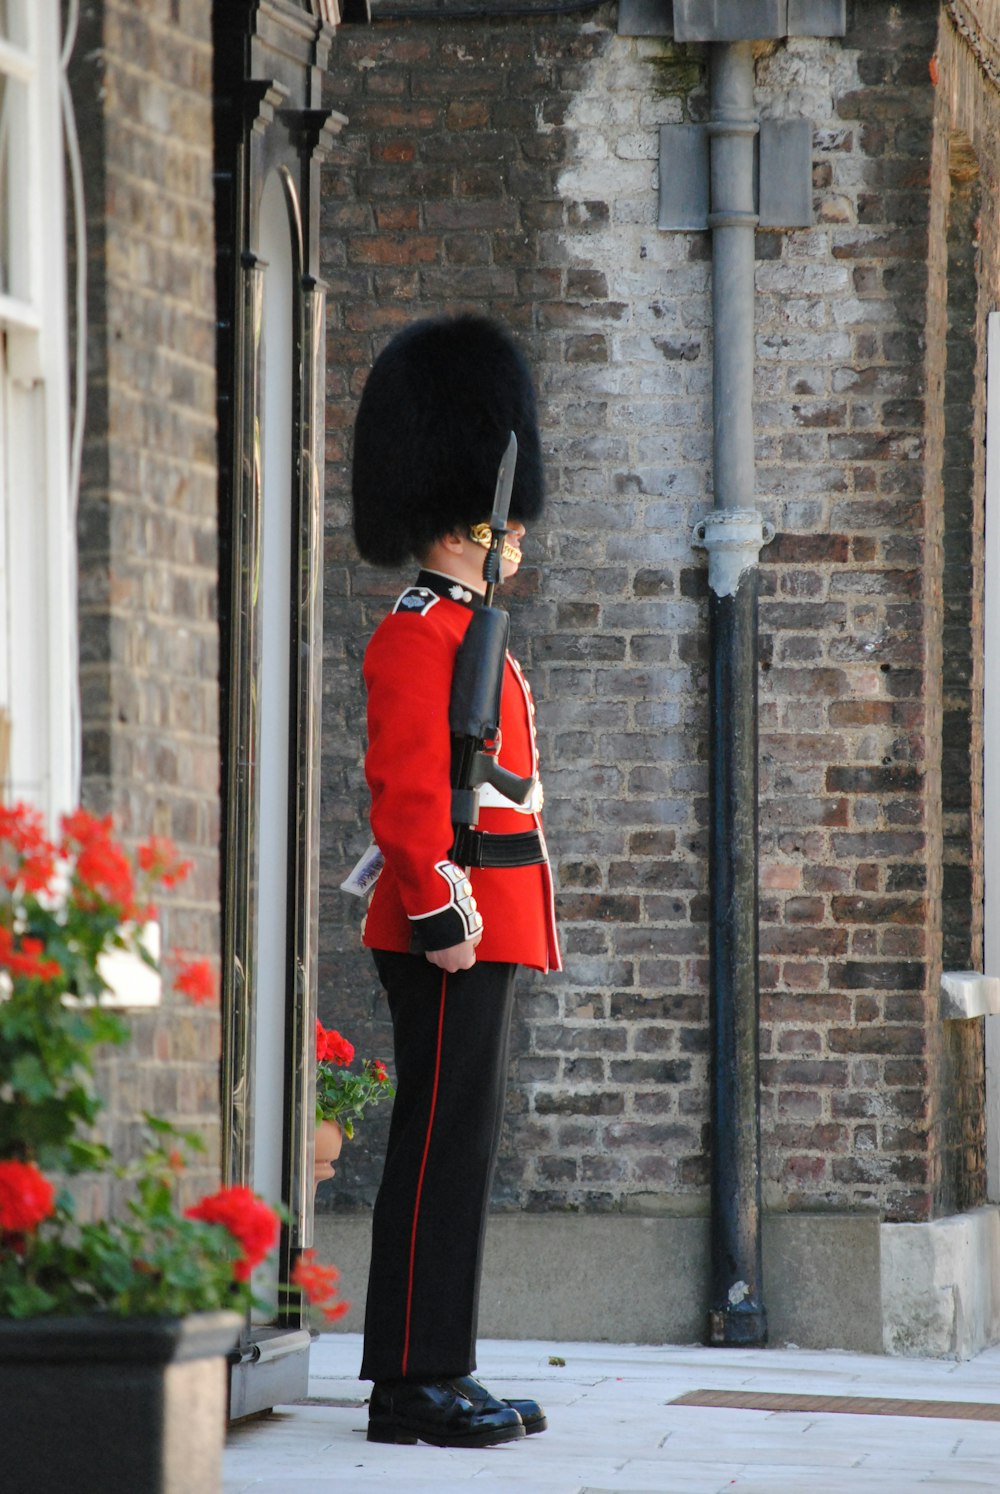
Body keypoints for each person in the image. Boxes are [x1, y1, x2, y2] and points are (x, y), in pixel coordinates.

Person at [350, 314, 561, 1449]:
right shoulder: (416, 636)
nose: (519, 540)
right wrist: (437, 911)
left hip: (490, 921)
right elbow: (407, 797)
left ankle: (443, 1363)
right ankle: (407, 1386)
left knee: (460, 1149)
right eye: (507, 524)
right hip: (452, 924)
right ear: (472, 521)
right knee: (434, 1149)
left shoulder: (470, 629)